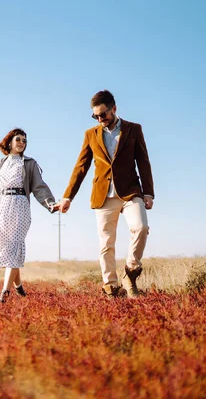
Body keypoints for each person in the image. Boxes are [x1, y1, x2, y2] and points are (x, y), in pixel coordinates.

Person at [56, 90, 154, 298]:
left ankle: (131, 272)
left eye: (103, 114)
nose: (100, 119)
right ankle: (110, 287)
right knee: (106, 244)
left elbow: (143, 162)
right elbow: (81, 166)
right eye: (96, 116)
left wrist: (149, 192)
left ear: (114, 109)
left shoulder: (134, 129)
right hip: (103, 195)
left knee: (141, 227)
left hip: (130, 192)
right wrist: (68, 196)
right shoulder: (90, 135)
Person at [0, 128, 58, 303]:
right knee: (7, 246)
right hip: (1, 207)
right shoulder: (0, 164)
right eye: (18, 139)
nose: (22, 143)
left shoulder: (29, 163)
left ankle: (4, 293)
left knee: (15, 245)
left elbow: (39, 187)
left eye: (24, 140)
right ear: (10, 143)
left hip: (20, 206)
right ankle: (18, 285)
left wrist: (51, 204)